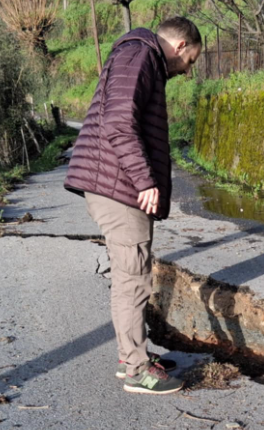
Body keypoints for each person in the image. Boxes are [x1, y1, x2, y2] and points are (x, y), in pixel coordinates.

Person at [64, 17, 201, 395]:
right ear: (179, 45)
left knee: (131, 274)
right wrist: (144, 180)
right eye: (191, 60)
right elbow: (118, 123)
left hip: (115, 183)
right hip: (118, 186)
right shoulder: (140, 54)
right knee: (133, 278)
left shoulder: (141, 57)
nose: (189, 71)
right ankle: (137, 369)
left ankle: (133, 357)